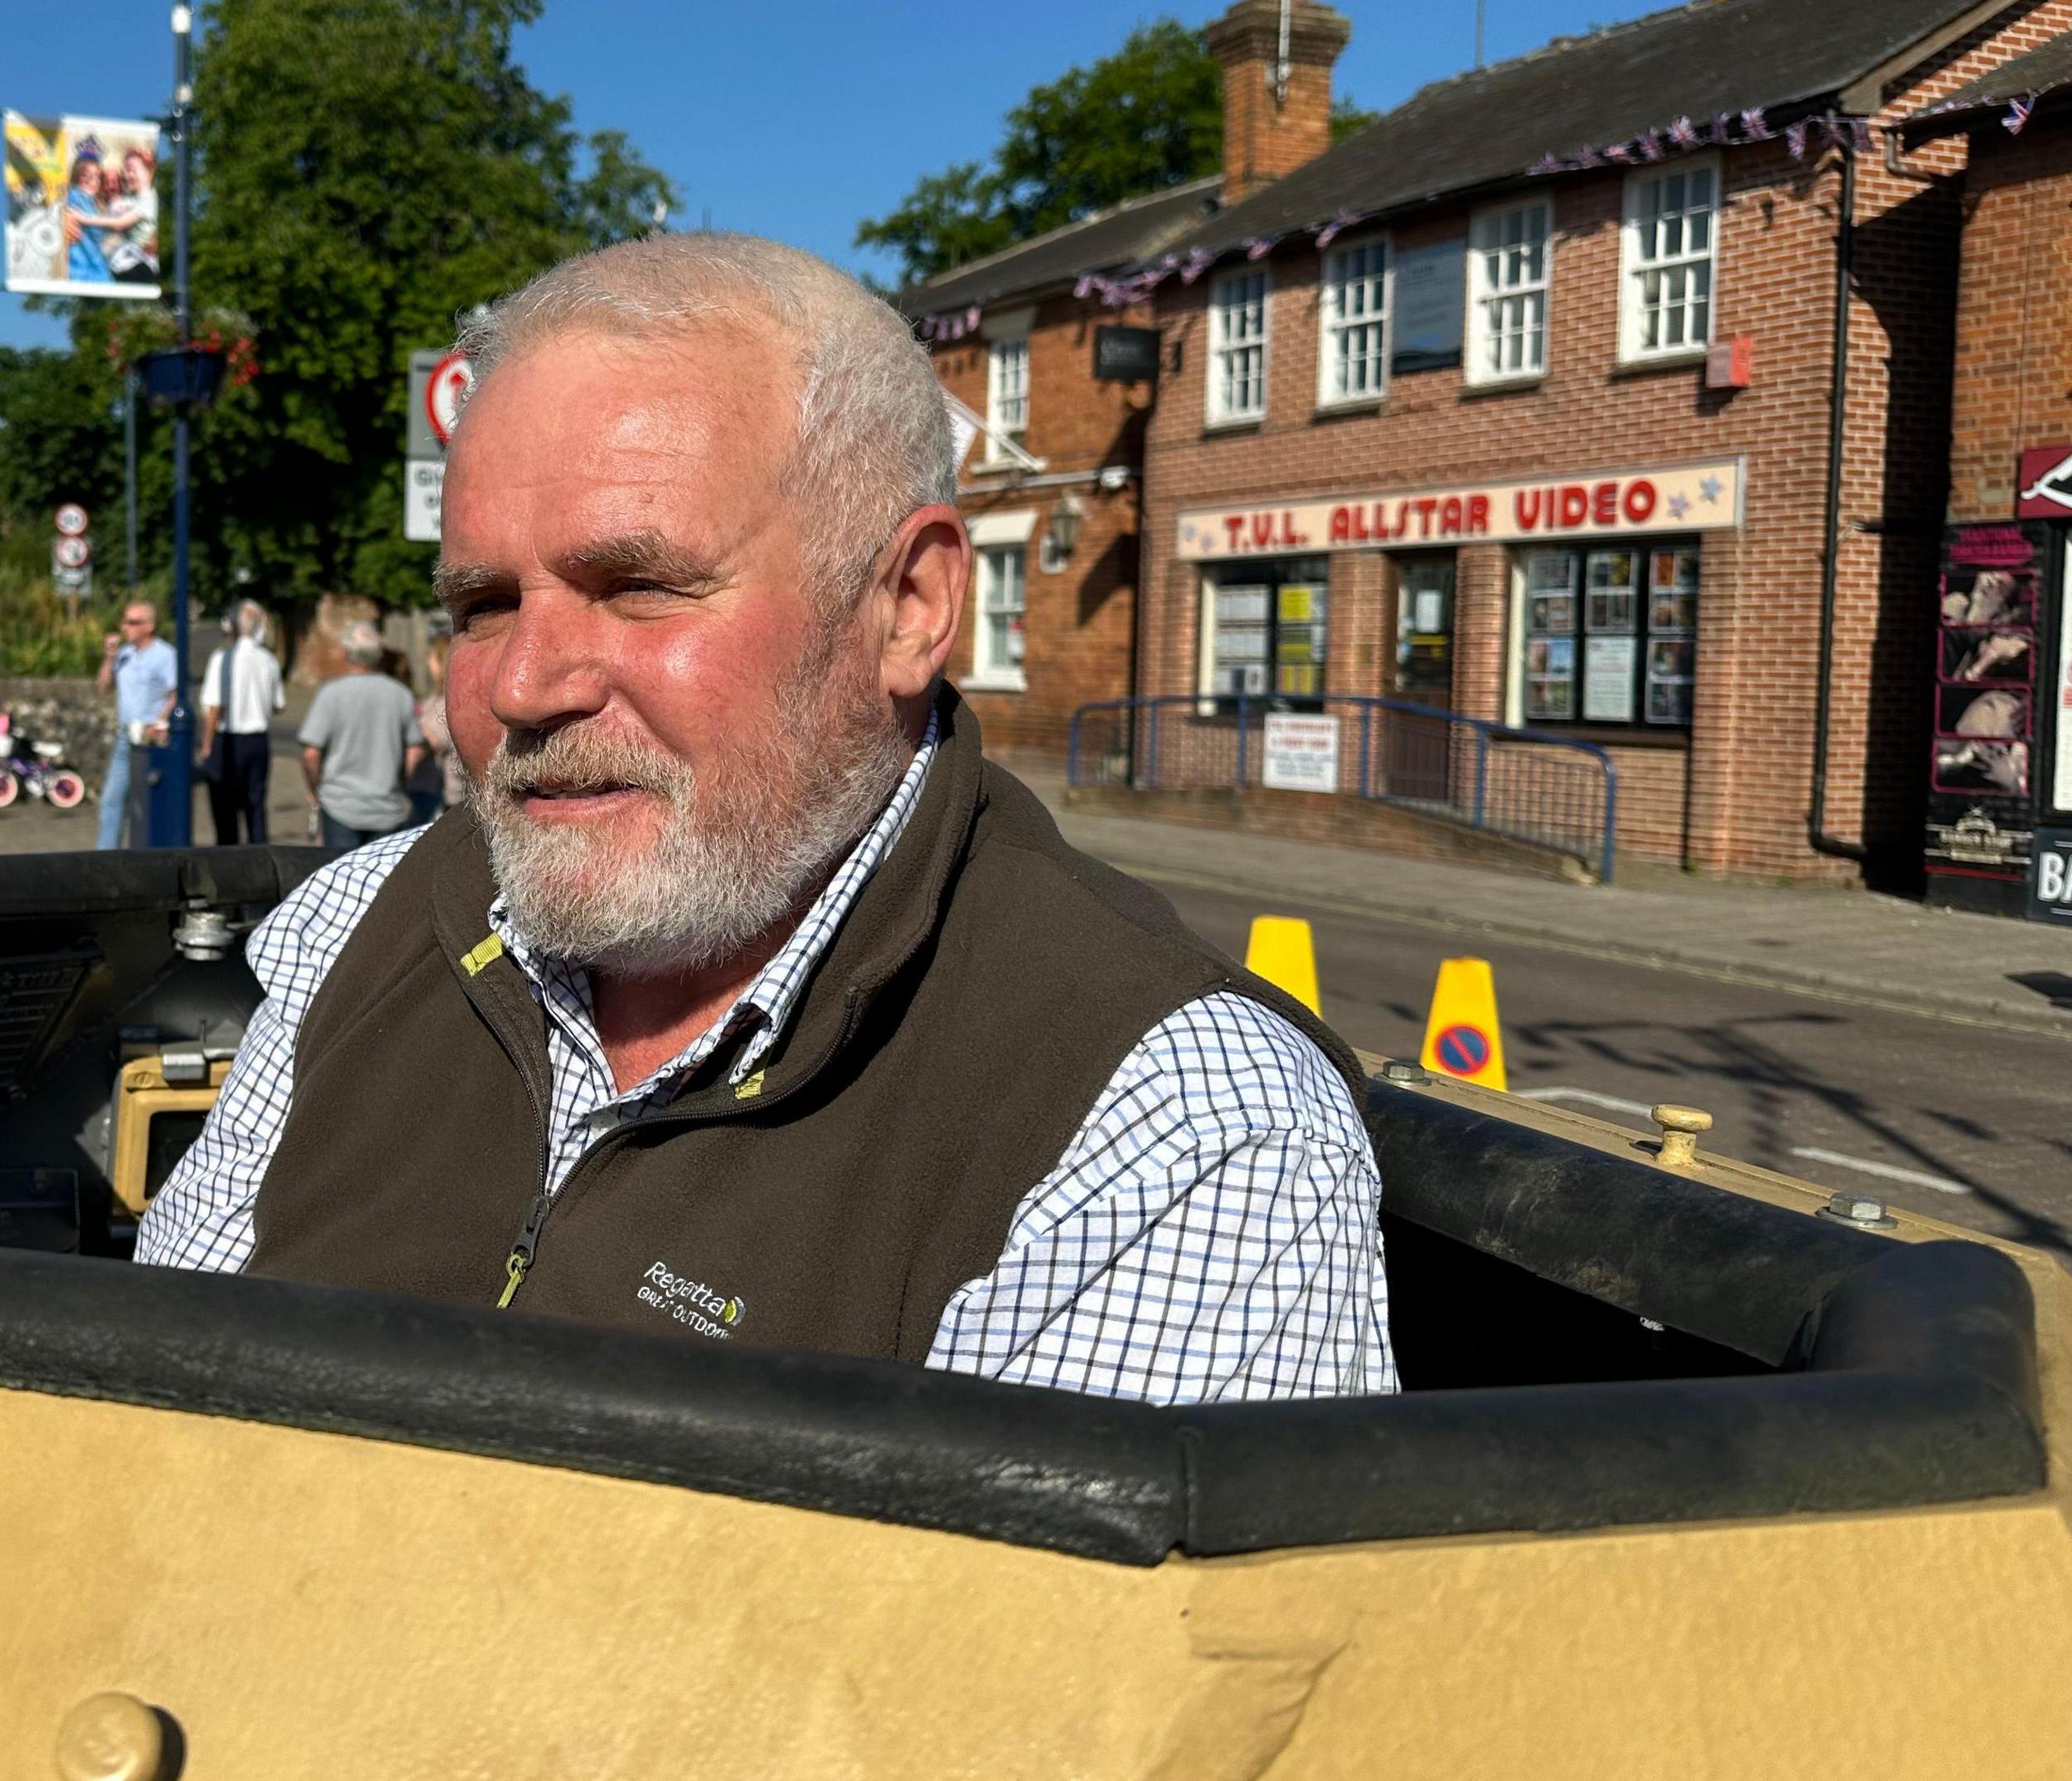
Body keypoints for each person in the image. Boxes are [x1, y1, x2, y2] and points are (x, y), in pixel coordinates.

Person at [137, 234, 1392, 1403]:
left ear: (908, 606)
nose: (522, 684)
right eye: (480, 605)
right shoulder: (358, 927)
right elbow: (150, 1430)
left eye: (638, 588)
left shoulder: (1167, 1126)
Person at [294, 621, 426, 849]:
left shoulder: (331, 693)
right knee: (382, 881)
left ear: (347, 654)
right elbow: (415, 750)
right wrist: (399, 781)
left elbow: (311, 754)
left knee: (341, 878)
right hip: (387, 807)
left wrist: (314, 790)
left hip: (340, 805)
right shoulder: (401, 694)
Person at [197, 598, 282, 844]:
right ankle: (259, 858)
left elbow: (215, 706)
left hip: (227, 738)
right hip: (258, 740)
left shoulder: (222, 659)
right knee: (255, 805)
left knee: (225, 809)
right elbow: (278, 704)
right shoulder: (269, 660)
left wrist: (206, 744)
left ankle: (229, 861)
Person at [93, 601, 177, 849]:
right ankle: (105, 857)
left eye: (133, 622)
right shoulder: (124, 655)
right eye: (125, 621)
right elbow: (104, 687)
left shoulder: (165, 655)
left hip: (152, 739)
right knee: (111, 799)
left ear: (149, 626)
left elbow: (176, 694)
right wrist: (109, 658)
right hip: (126, 736)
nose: (125, 627)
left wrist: (161, 722)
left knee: (147, 802)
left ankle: (149, 851)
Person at [404, 638, 463, 825]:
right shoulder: (433, 699)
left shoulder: (446, 703)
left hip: (441, 792)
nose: (428, 662)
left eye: (432, 657)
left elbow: (433, 741)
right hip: (424, 786)